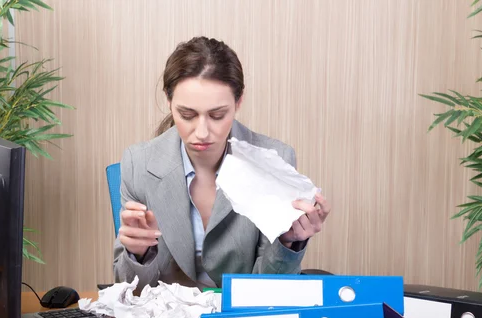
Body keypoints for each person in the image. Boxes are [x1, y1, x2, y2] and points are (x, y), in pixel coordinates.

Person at [113, 36, 330, 290]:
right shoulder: (138, 163)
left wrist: (288, 242)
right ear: (169, 101)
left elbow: (268, 291)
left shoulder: (275, 159)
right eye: (187, 115)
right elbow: (129, 292)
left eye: (217, 115)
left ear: (238, 102)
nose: (202, 132)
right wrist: (137, 254)